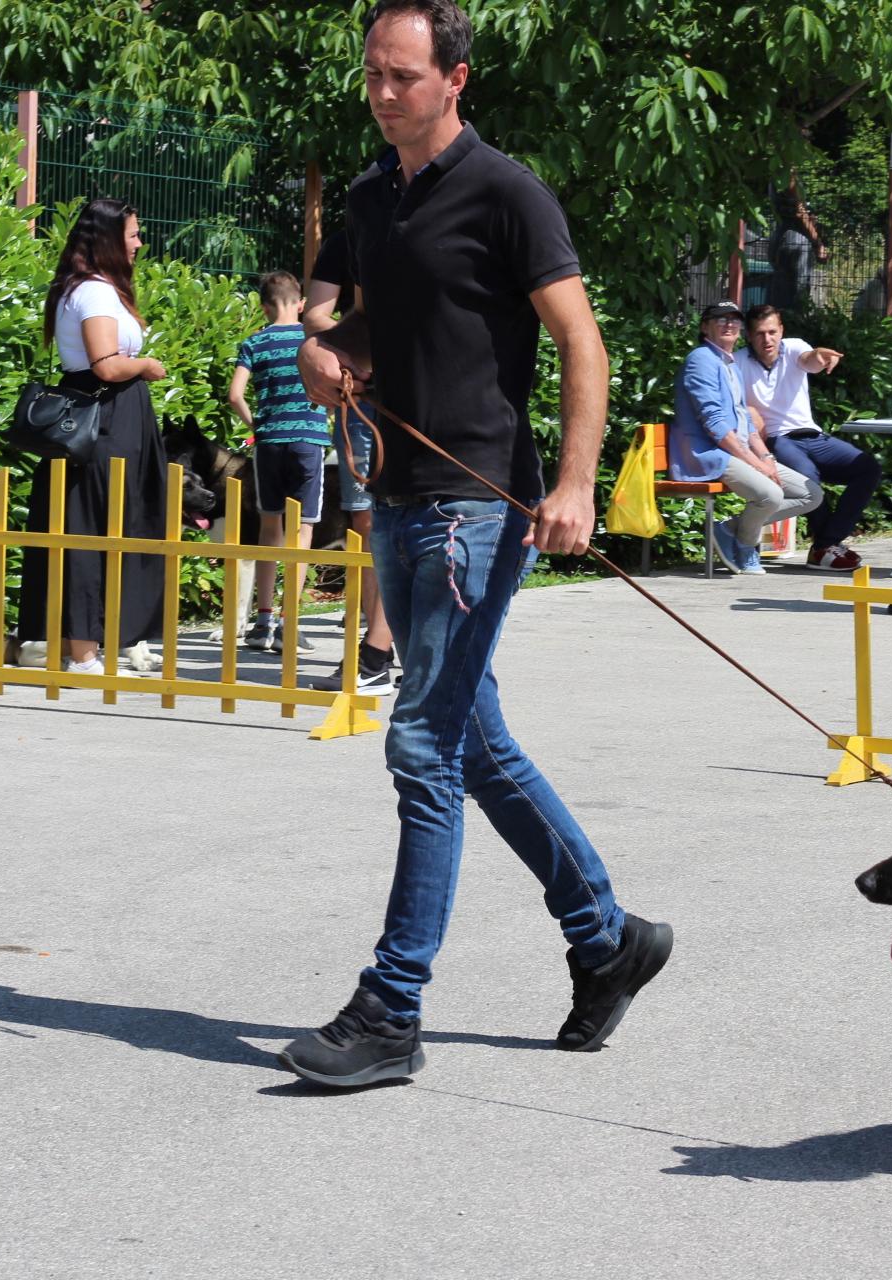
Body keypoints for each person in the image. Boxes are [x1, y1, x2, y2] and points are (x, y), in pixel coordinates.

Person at [283, 0, 671, 1087]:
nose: (382, 93)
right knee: (474, 742)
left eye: (403, 75)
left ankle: (391, 1007)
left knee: (422, 746)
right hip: (400, 496)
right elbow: (389, 328)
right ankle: (607, 938)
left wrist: (578, 483)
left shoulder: (508, 193)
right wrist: (330, 351)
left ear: (456, 80)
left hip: (480, 504)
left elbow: (580, 341)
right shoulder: (373, 196)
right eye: (372, 73)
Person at [17, 198, 168, 673]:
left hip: (106, 416)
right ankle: (84, 654)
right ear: (108, 240)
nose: (139, 243)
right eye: (132, 235)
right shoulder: (96, 292)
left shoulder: (81, 288)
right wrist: (145, 365)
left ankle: (91, 644)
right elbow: (106, 364)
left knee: (97, 526)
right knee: (91, 530)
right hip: (106, 418)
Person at [301, 234, 398, 696]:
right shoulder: (355, 229)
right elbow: (315, 315)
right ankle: (376, 649)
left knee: (413, 517)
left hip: (429, 395)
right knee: (370, 523)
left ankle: (385, 649)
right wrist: (351, 350)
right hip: (363, 395)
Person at [669, 300, 820, 574]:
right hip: (709, 453)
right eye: (720, 319)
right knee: (770, 495)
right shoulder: (701, 360)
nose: (729, 324)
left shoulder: (729, 362)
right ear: (705, 327)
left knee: (811, 494)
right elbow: (714, 424)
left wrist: (766, 457)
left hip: (735, 451)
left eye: (734, 319)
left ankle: (729, 529)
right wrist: (756, 464)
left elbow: (745, 420)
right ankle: (747, 545)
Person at [228, 270, 330, 656]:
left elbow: (235, 395)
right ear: (301, 303)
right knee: (302, 529)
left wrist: (257, 425)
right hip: (307, 441)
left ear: (264, 307)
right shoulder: (314, 339)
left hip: (269, 442)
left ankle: (262, 621)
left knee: (270, 526)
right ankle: (289, 623)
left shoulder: (254, 343)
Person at [740, 304, 882, 572]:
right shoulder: (738, 363)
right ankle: (825, 548)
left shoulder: (793, 347)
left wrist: (821, 356)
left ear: (781, 331)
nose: (767, 339)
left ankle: (825, 544)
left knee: (868, 468)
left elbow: (809, 360)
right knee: (807, 477)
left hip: (813, 436)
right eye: (759, 333)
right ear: (748, 335)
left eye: (772, 332)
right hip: (777, 439)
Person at [768, 172, 827, 311]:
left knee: (780, 294)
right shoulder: (788, 173)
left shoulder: (774, 174)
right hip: (796, 239)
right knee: (799, 295)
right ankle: (794, 323)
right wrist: (818, 243)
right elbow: (799, 212)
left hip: (778, 236)